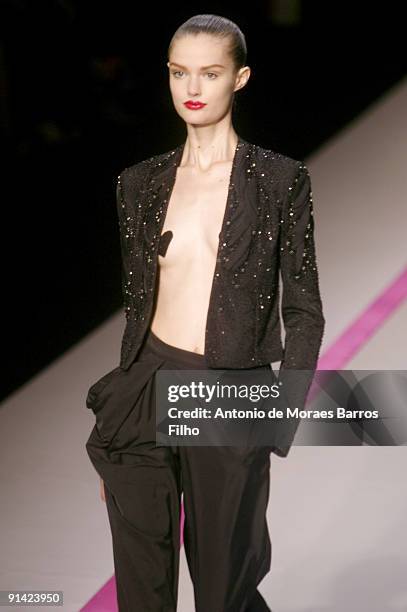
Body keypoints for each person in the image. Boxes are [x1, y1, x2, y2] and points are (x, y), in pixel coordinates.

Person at [85, 13, 325, 612]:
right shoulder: (138, 184)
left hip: (227, 390)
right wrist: (120, 413)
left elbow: (304, 308)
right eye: (178, 73)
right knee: (141, 588)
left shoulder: (277, 180)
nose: (192, 88)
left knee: (223, 589)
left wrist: (281, 416)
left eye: (210, 73)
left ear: (239, 79)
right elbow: (138, 303)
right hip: (144, 384)